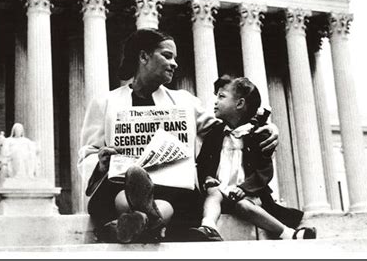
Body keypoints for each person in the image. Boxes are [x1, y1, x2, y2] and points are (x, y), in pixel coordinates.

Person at [77, 28, 279, 243]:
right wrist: (100, 163)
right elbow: (88, 154)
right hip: (121, 185)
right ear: (144, 56)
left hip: (173, 188)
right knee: (125, 193)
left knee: (169, 200)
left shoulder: (184, 101)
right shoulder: (106, 102)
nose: (174, 64)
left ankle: (135, 223)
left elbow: (224, 129)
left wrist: (265, 126)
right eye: (167, 56)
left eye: (175, 58)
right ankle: (148, 220)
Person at [189, 75, 316, 241]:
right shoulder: (214, 133)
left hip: (248, 193)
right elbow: (203, 161)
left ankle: (288, 233)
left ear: (240, 104)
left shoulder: (258, 134)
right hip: (220, 189)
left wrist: (245, 188)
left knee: (244, 206)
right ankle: (209, 226)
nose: (215, 102)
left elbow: (264, 170)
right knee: (213, 194)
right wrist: (208, 178)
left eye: (221, 97)